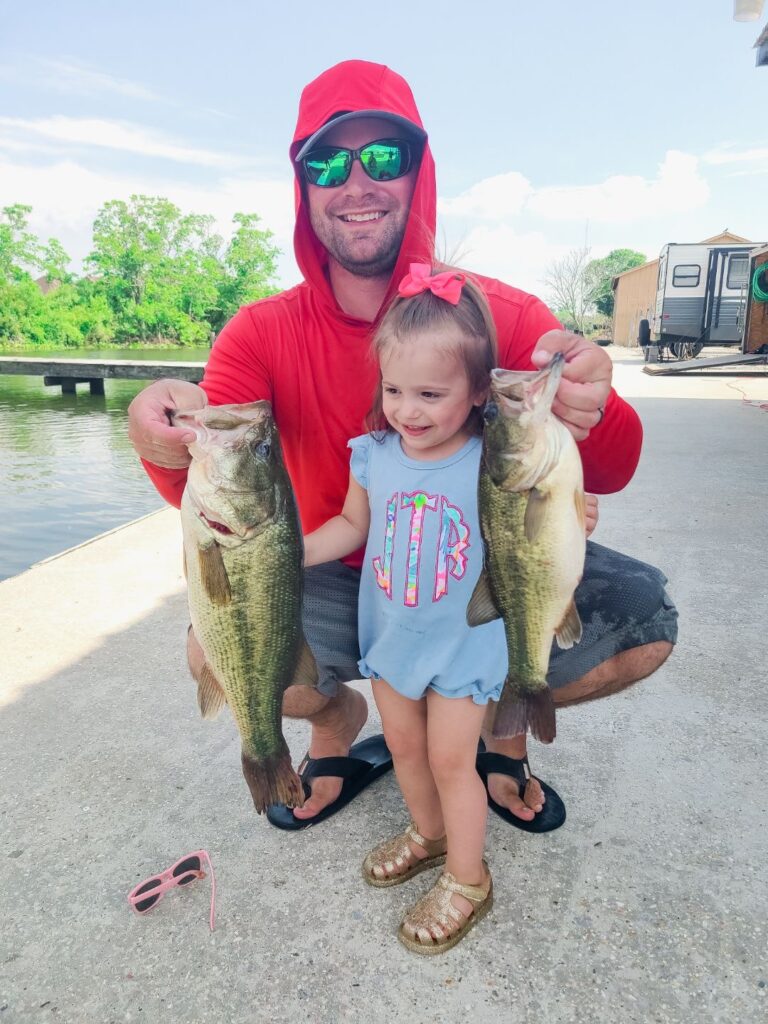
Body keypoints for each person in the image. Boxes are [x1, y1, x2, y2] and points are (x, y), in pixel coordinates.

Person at [127, 59, 678, 832]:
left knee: (646, 623)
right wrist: (157, 439)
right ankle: (337, 724)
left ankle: (498, 731)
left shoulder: (494, 312)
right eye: (327, 162)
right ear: (303, 186)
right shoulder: (257, 333)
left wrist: (595, 399)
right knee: (210, 649)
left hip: (468, 572)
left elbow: (615, 466)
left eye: (382, 157)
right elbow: (217, 508)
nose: (356, 183)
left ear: (418, 173)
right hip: (330, 570)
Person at [301, 265, 504, 952]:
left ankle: (468, 877)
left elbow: (543, 515)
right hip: (392, 638)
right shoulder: (374, 454)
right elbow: (351, 528)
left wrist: (575, 506)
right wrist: (288, 552)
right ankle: (429, 831)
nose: (407, 410)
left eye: (430, 394)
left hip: (465, 644)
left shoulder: (491, 461)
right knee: (406, 749)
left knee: (453, 761)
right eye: (394, 390)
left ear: (478, 391)